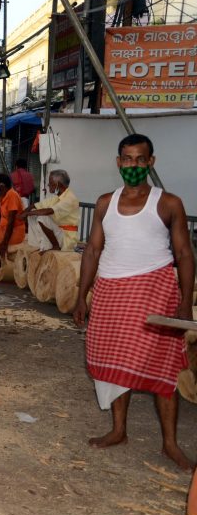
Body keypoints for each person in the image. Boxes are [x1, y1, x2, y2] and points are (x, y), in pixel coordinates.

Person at [73, 133, 194, 470]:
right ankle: (118, 430)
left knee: (162, 366)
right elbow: (93, 250)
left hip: (154, 289)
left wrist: (185, 302)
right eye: (128, 159)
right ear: (118, 162)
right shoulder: (104, 203)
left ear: (151, 162)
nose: (134, 166)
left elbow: (184, 253)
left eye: (141, 160)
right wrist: (82, 295)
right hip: (111, 291)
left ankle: (170, 443)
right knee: (114, 361)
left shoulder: (168, 203)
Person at [21, 169, 79, 252]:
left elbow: (49, 211)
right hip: (59, 232)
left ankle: (56, 246)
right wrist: (24, 213)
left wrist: (26, 213)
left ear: (58, 184)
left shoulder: (70, 198)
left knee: (42, 218)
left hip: (66, 238)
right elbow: (35, 205)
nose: (48, 185)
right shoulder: (57, 197)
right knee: (33, 215)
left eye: (51, 183)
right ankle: (38, 245)